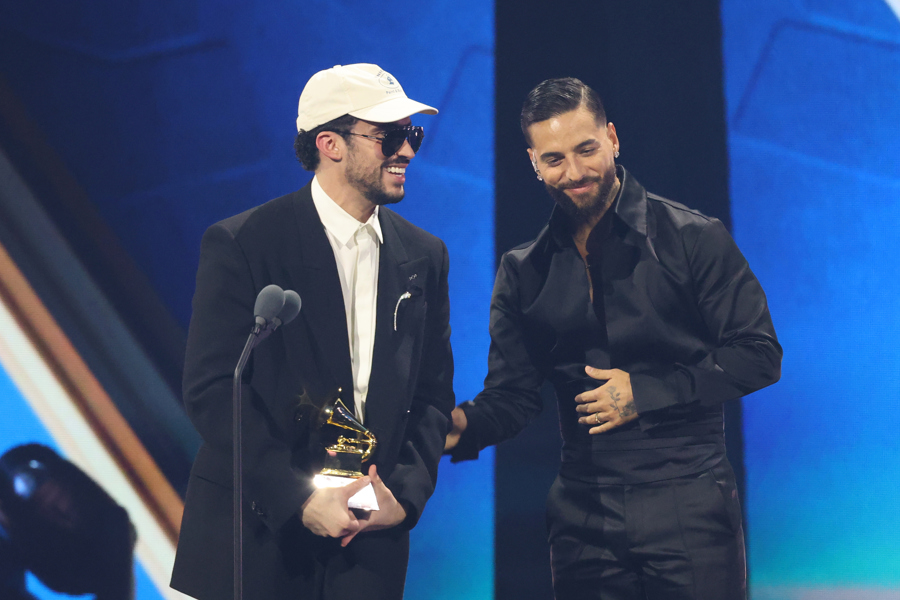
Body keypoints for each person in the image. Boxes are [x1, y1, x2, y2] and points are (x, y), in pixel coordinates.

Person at [445, 77, 782, 600]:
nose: (575, 172)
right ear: (534, 163)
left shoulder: (694, 238)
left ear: (613, 138)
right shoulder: (522, 270)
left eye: (587, 149)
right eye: (554, 159)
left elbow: (759, 355)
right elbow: (512, 396)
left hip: (688, 498)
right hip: (583, 513)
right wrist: (462, 426)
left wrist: (644, 393)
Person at [171, 63, 455, 600]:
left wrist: (405, 498)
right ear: (330, 143)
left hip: (367, 550)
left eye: (411, 134)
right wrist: (298, 499)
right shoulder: (245, 243)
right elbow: (214, 389)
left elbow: (433, 392)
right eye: (389, 136)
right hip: (257, 540)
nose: (408, 152)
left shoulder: (425, 255)